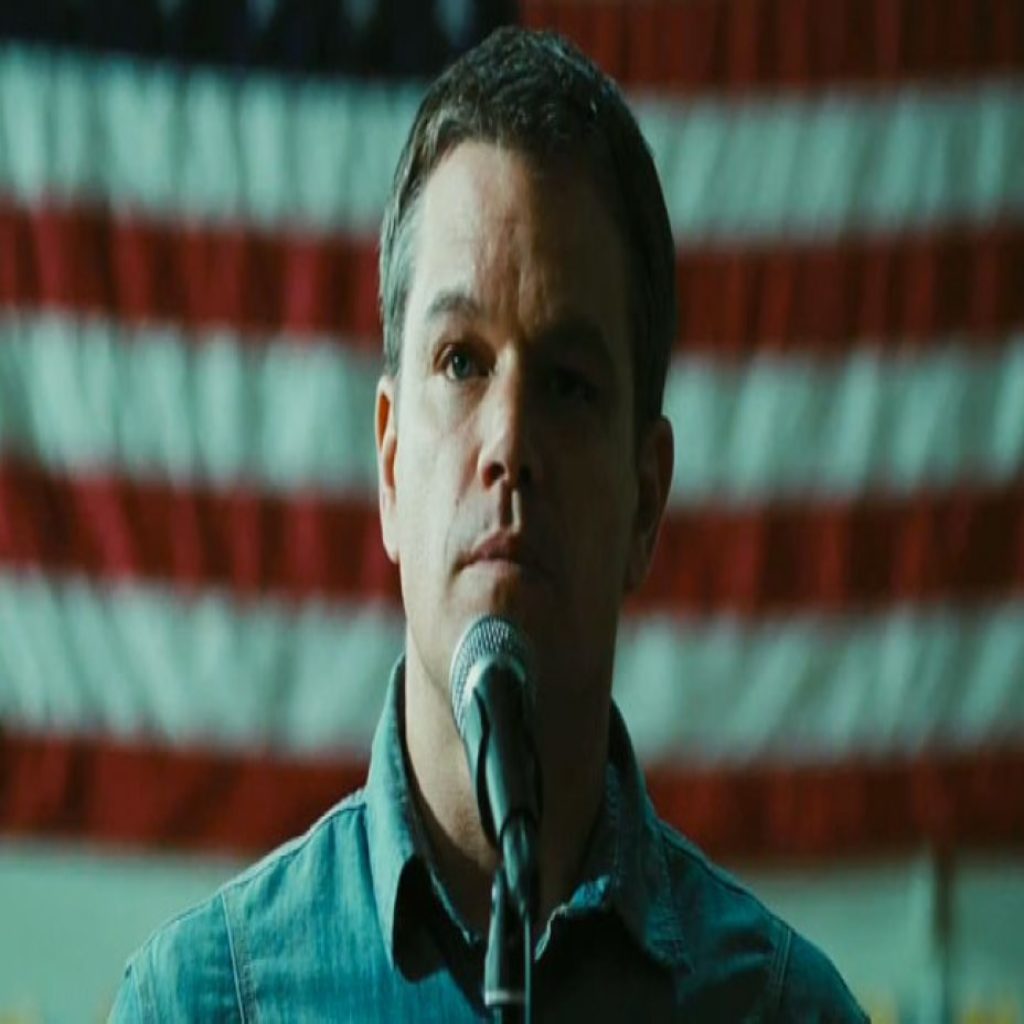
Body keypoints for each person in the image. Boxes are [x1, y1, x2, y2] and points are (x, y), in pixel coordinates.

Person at [111, 26, 867, 1022]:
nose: (508, 440)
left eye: (568, 382)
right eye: (462, 361)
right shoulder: (202, 1003)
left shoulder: (785, 1010)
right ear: (391, 465)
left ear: (645, 500)